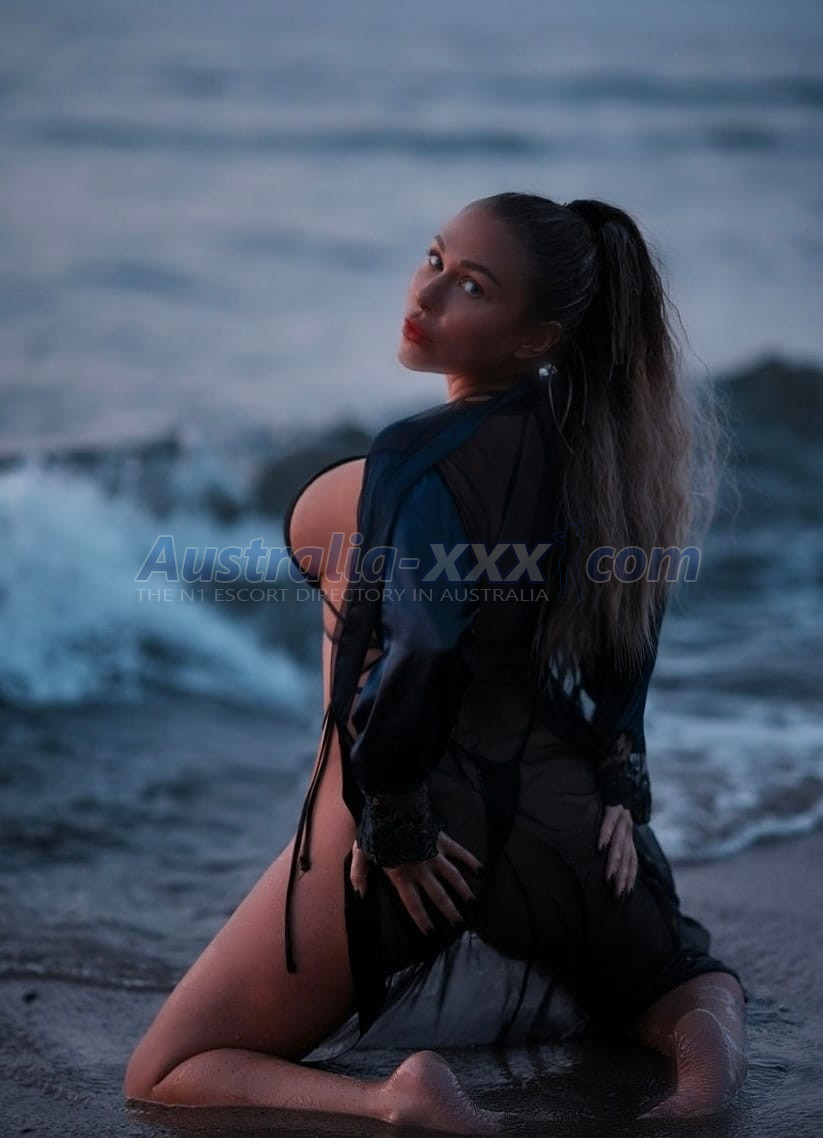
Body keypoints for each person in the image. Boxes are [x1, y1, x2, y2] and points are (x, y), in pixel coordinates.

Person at [124, 192, 749, 1130]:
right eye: (433, 259)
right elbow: (630, 623)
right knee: (686, 987)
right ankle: (707, 1067)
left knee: (167, 1069)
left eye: (471, 287)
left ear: (535, 338)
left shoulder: (415, 458)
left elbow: (427, 638)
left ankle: (397, 1100)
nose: (426, 294)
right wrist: (622, 776)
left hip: (419, 837)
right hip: (572, 821)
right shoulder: (605, 459)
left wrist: (396, 817)